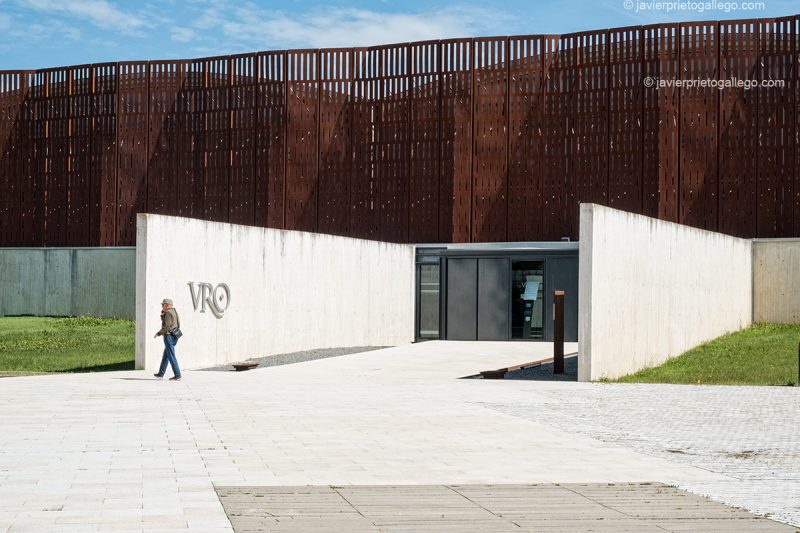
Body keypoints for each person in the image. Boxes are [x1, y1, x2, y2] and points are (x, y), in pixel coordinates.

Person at [153, 298, 182, 381]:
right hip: (174, 336)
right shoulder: (174, 312)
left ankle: (177, 375)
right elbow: (176, 324)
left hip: (169, 336)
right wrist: (162, 316)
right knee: (166, 355)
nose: (162, 306)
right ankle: (160, 374)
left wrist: (158, 333)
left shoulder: (168, 313)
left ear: (167, 305)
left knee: (171, 356)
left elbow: (166, 326)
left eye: (163, 304)